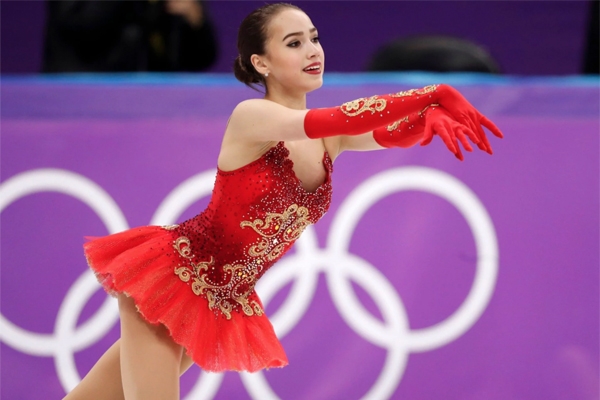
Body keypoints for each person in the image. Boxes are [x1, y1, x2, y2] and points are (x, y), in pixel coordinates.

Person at [64, 3, 503, 399]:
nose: (312, 51)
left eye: (314, 38)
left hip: (218, 297)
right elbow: (338, 117)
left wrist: (429, 120)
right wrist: (430, 93)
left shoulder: (329, 140)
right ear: (262, 62)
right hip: (176, 276)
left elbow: (387, 133)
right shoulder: (253, 117)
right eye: (294, 43)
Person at [43, 0, 217, 72]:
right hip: (78, 96)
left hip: (149, 104)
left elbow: (201, 59)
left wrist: (195, 21)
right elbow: (78, 24)